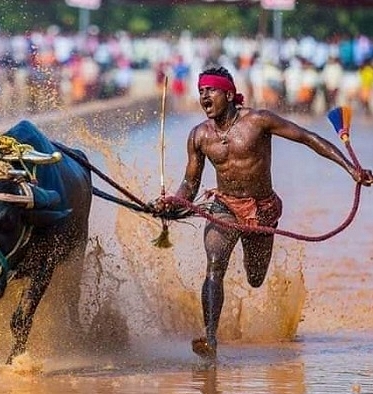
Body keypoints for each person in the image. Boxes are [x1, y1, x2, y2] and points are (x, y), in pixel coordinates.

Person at [151, 66, 373, 360]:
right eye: (201, 90)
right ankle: (210, 338)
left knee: (255, 277)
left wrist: (351, 169)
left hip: (262, 210)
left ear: (228, 95)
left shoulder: (259, 121)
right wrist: (172, 203)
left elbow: (308, 138)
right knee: (214, 264)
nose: (204, 95)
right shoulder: (199, 136)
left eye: (211, 90)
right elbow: (189, 185)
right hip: (225, 207)